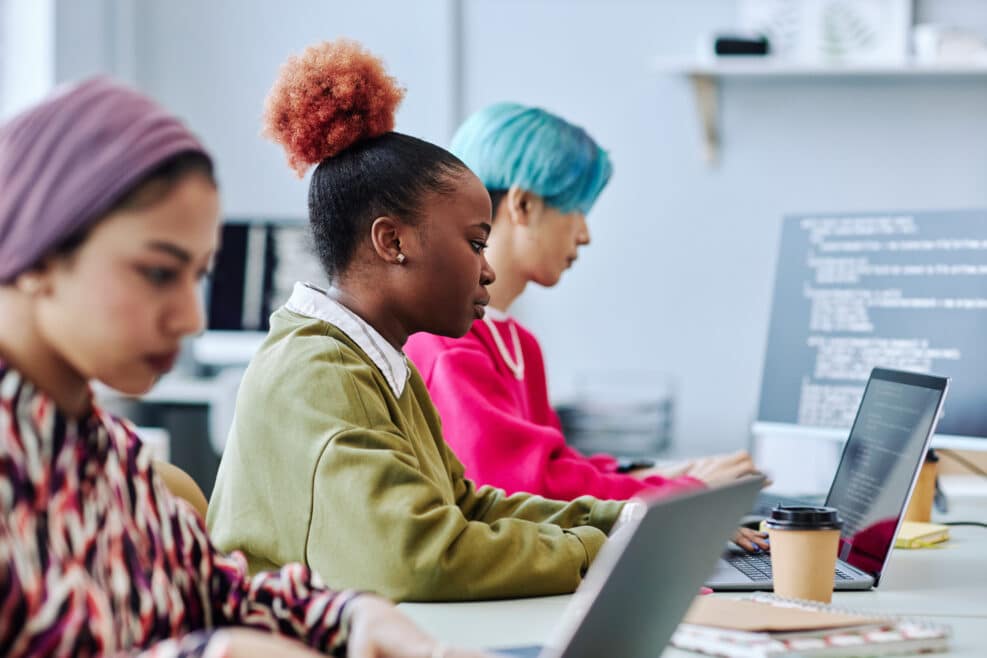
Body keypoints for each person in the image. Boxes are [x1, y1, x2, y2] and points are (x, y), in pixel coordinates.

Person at [0, 76, 484, 658]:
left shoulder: (104, 455)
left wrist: (354, 617)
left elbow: (216, 596)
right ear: (34, 254)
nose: (190, 318)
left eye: (197, 276)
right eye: (158, 272)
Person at [207, 40, 632, 603]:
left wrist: (624, 521)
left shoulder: (376, 360)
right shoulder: (316, 371)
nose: (487, 270)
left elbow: (465, 504)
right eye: (476, 243)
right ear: (393, 241)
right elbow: (420, 558)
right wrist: (590, 550)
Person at [404, 103, 768, 551]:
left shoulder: (520, 343)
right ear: (523, 204)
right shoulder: (448, 343)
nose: (585, 234)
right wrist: (681, 495)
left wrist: (667, 477)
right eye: (575, 209)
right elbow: (524, 490)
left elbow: (555, 465)